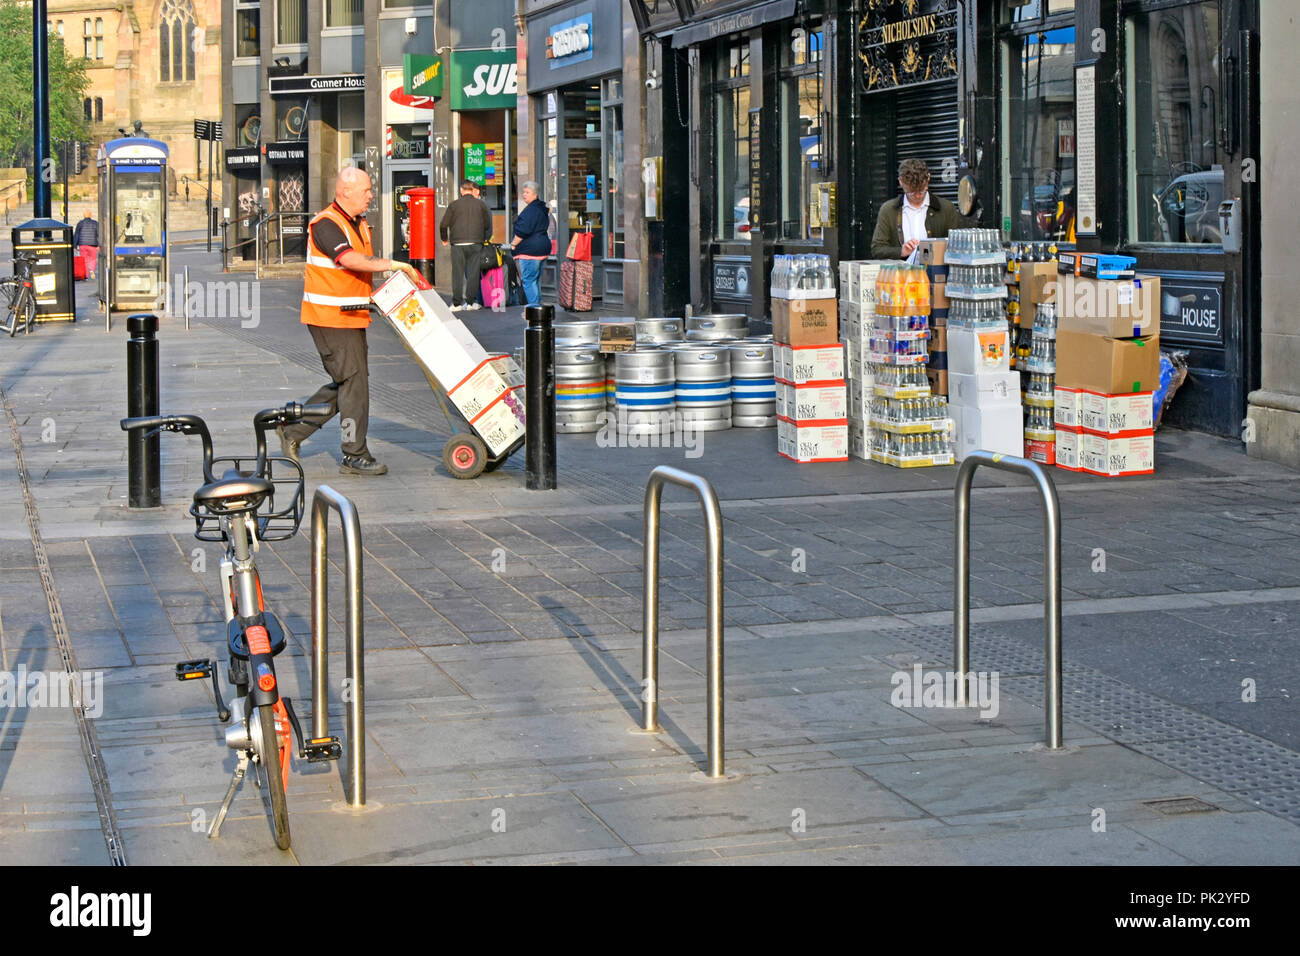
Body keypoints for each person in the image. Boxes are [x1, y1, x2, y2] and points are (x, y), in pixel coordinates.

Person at [278, 166, 422, 477]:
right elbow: (350, 260)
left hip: (351, 315)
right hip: (330, 318)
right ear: (345, 192)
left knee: (348, 382)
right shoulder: (326, 224)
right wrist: (395, 265)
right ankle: (353, 453)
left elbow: (357, 272)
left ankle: (293, 430)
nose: (371, 196)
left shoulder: (357, 222)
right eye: (366, 191)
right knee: (353, 383)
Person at [870, 158, 973, 262]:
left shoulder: (946, 208)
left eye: (922, 190)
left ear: (928, 178)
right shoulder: (888, 210)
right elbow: (877, 249)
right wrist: (901, 251)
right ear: (901, 182)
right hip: (901, 276)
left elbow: (960, 247)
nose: (918, 196)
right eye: (912, 192)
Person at [440, 180, 492, 310]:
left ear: (461, 190)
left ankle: (457, 303)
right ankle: (470, 302)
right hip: (476, 242)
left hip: (458, 243)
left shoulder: (454, 205)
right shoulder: (481, 205)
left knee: (457, 273)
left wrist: (444, 238)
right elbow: (487, 224)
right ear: (472, 190)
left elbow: (443, 224)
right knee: (473, 273)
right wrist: (483, 238)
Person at [510, 181, 550, 307]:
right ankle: (538, 307)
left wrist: (513, 244)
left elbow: (523, 230)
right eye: (523, 192)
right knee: (535, 280)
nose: (524, 194)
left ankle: (534, 309)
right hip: (542, 248)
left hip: (530, 251)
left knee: (528, 280)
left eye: (527, 192)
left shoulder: (531, 210)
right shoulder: (541, 209)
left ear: (535, 194)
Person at [73, 210, 99, 281]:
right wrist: (99, 244)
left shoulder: (80, 223)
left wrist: (75, 246)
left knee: (84, 261)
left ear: (84, 215)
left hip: (82, 245)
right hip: (92, 245)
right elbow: (98, 234)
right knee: (93, 258)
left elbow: (77, 234)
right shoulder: (95, 223)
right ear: (90, 215)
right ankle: (92, 269)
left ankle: (86, 276)